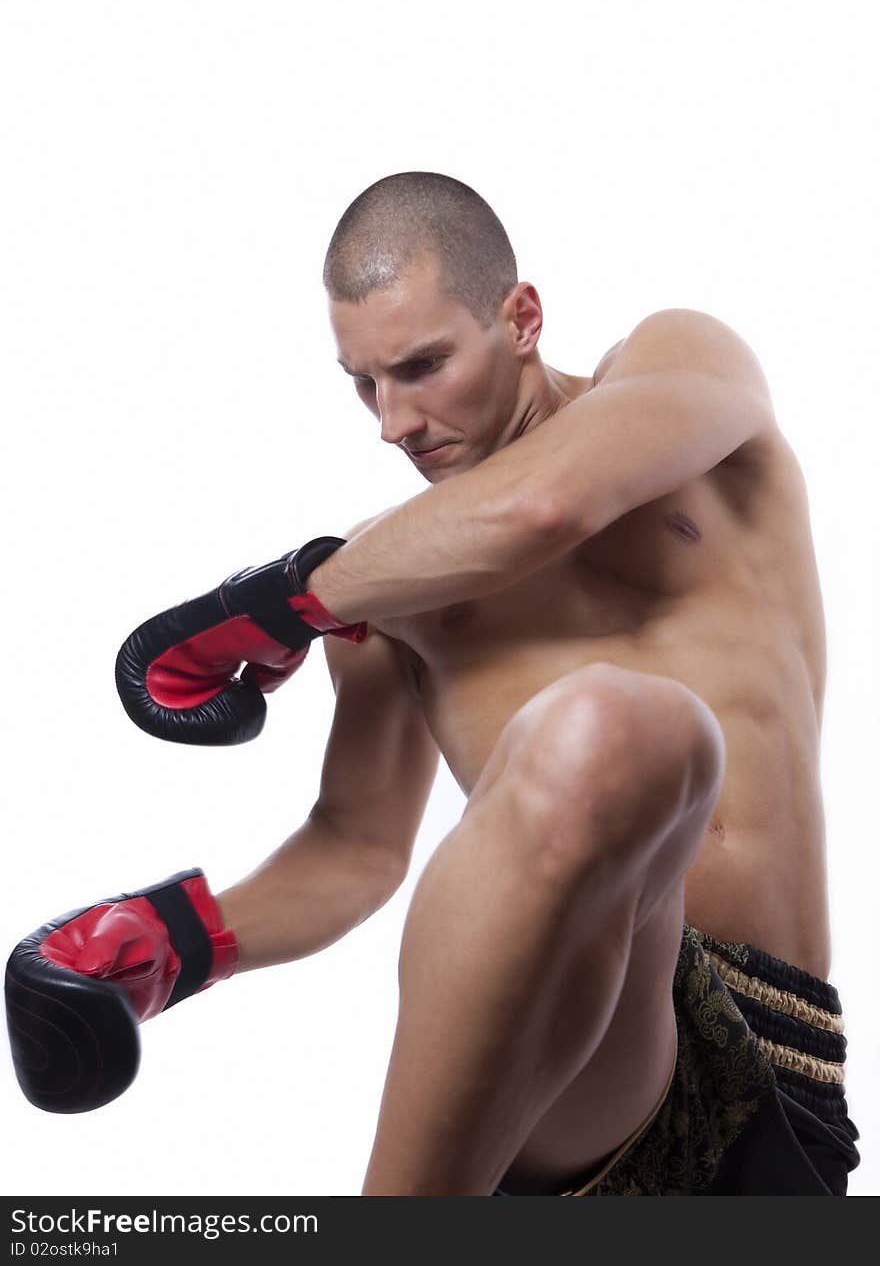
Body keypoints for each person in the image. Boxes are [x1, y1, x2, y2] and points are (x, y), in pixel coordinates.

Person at [5, 171, 860, 1195]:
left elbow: (548, 502)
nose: (393, 422)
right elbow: (355, 849)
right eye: (364, 384)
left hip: (771, 1070)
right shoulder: (377, 583)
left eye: (422, 366)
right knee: (613, 729)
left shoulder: (682, 365)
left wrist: (281, 601)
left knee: (626, 728)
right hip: (571, 1077)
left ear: (521, 316)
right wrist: (166, 941)